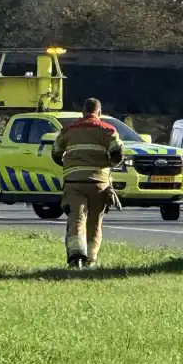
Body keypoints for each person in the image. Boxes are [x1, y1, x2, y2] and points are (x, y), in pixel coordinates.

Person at [51, 97, 124, 269]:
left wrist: (67, 164)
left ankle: (76, 257)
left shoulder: (68, 130)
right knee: (95, 221)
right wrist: (110, 166)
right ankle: (91, 260)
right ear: (99, 113)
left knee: (76, 218)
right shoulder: (109, 130)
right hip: (99, 184)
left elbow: (55, 152)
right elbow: (118, 152)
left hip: (74, 182)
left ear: (83, 112)